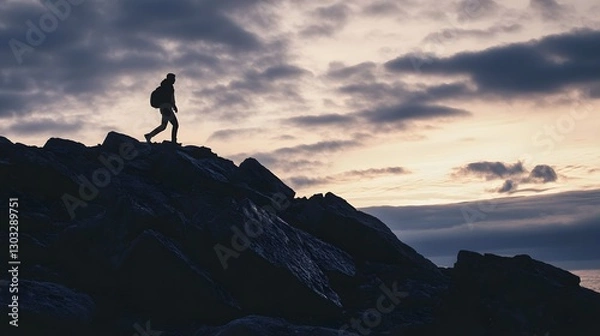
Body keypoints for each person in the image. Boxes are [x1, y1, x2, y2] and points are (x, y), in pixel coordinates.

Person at [145, 73, 179, 144]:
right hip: (167, 108)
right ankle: (173, 141)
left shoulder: (163, 86)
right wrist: (174, 106)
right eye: (173, 78)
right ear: (170, 79)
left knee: (163, 126)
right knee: (175, 124)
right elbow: (171, 98)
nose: (174, 80)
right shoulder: (169, 87)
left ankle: (149, 135)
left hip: (163, 108)